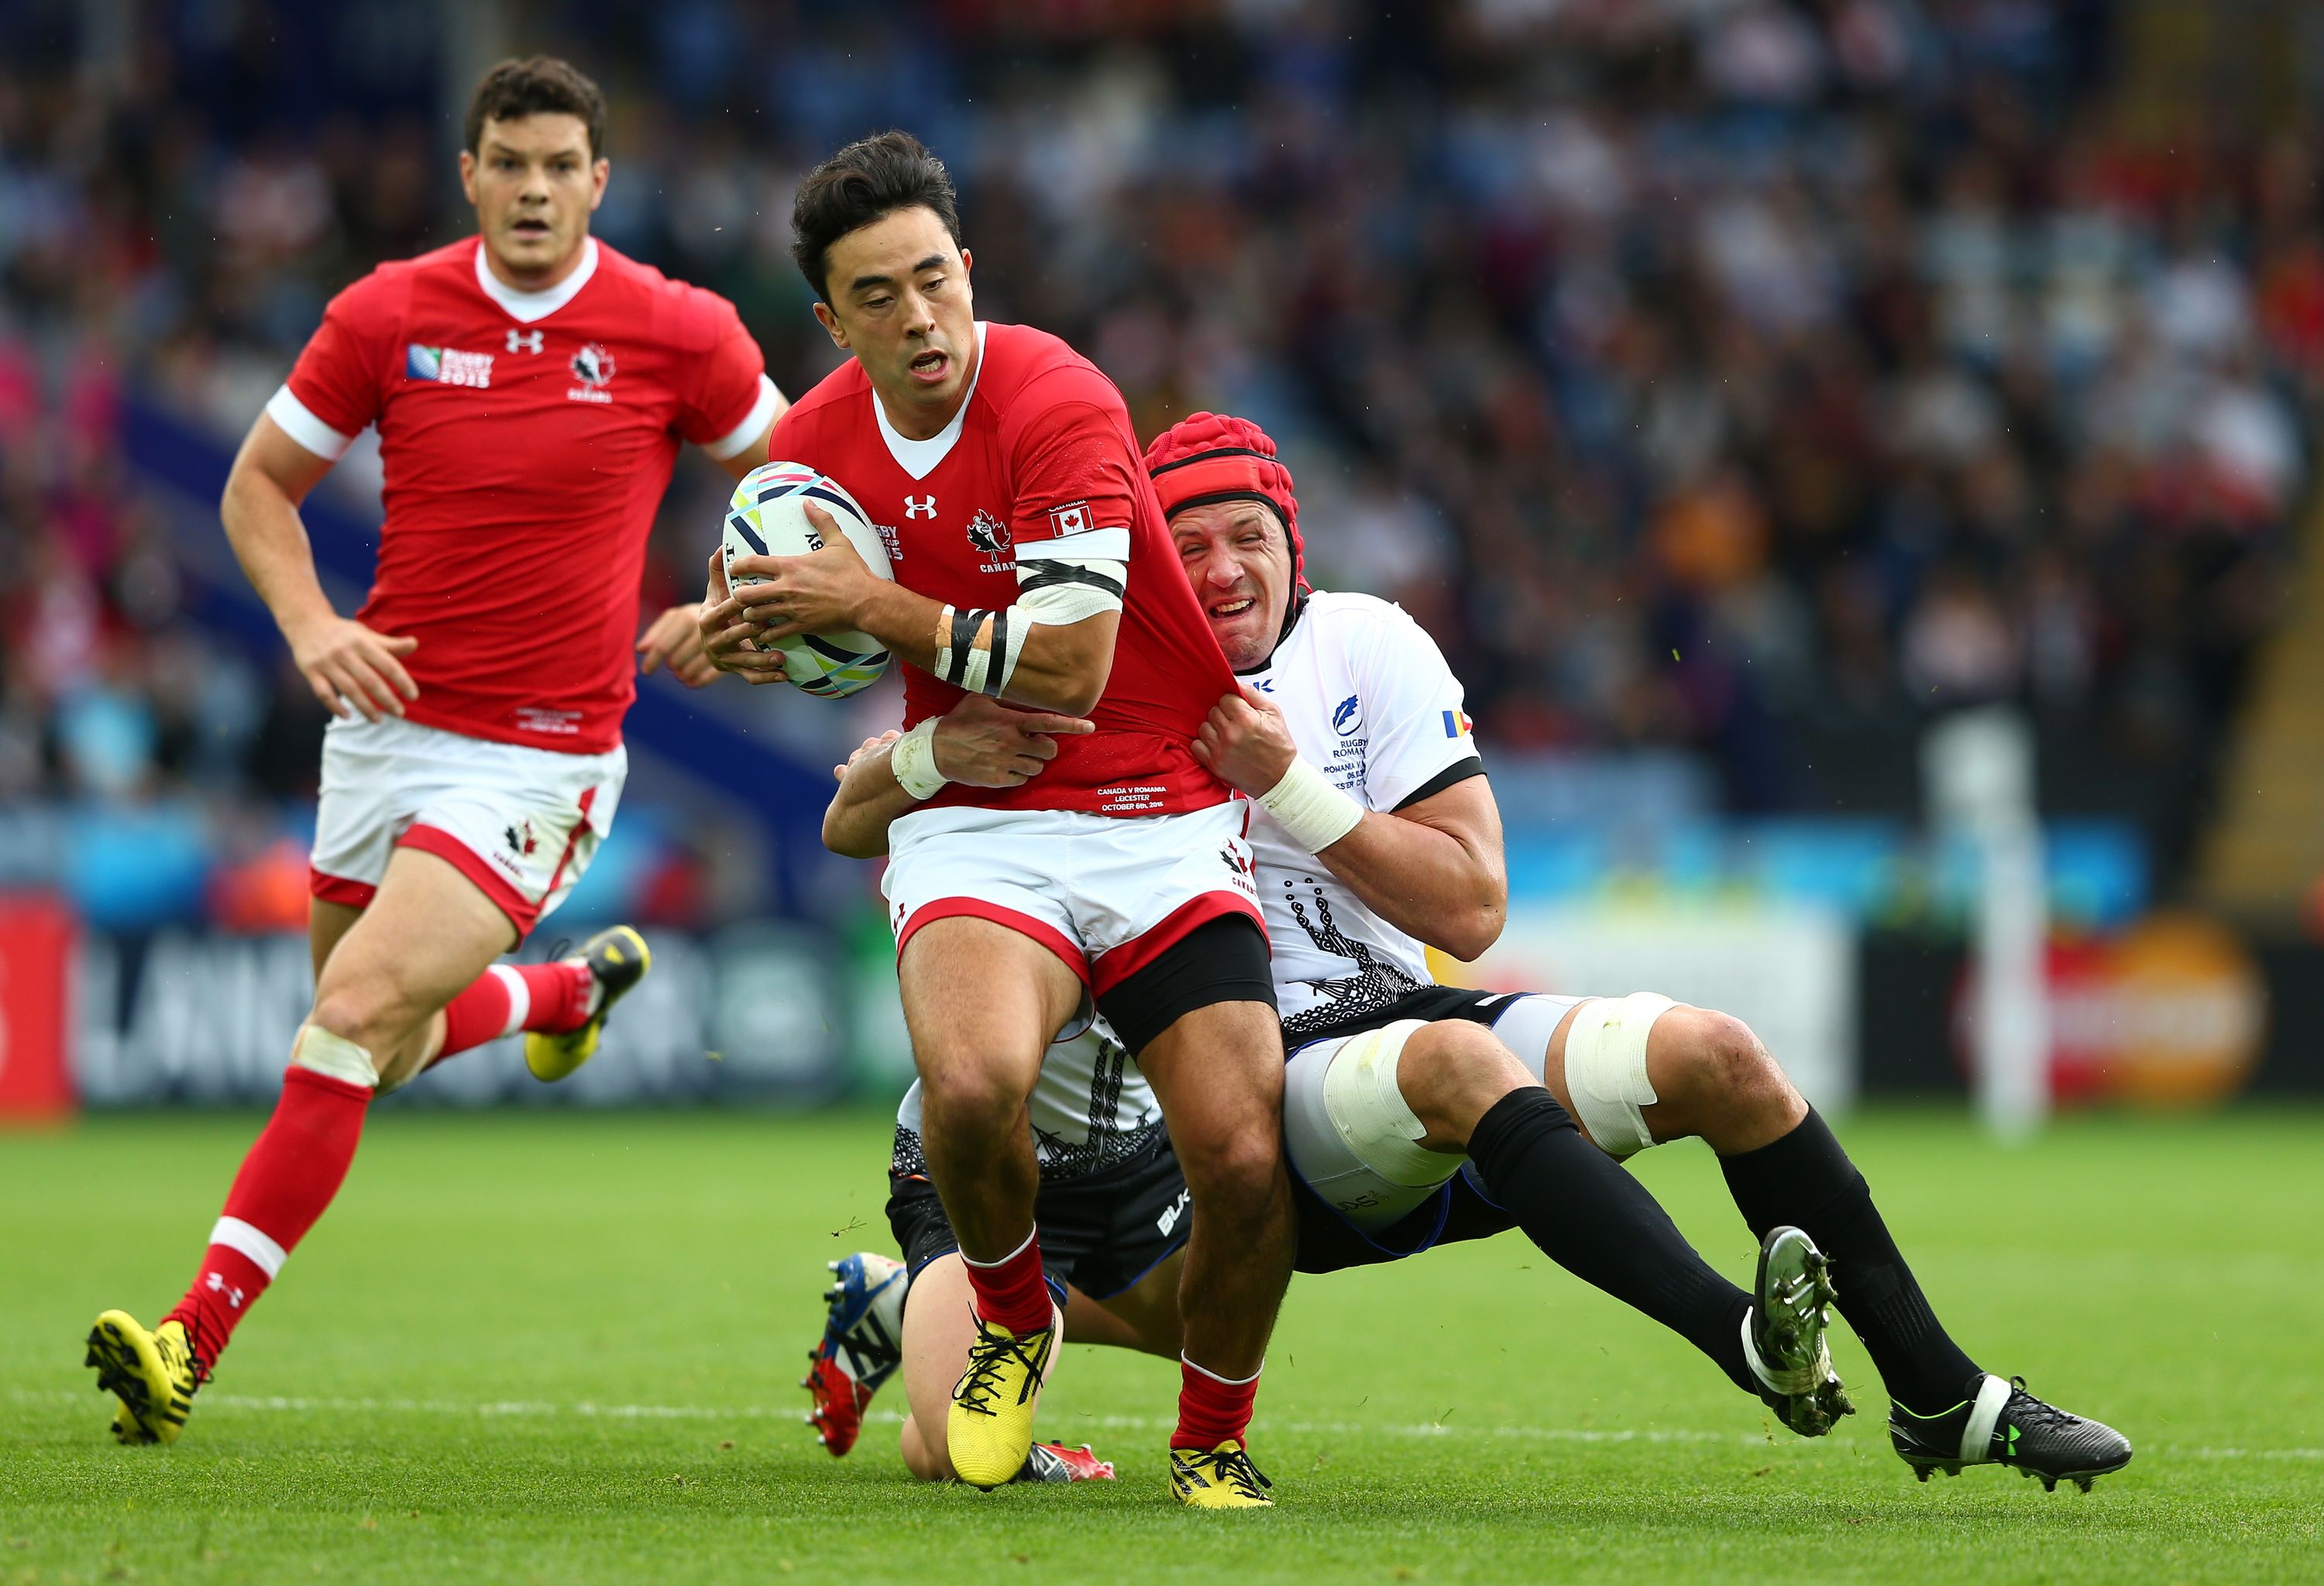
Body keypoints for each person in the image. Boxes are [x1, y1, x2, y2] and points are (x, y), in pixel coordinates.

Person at [810, 411, 2134, 1495]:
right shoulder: (1089, 673)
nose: (1219, 571)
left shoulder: (1368, 645)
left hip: (1379, 1023)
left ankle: (1944, 1397)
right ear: (1140, 559)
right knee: (1002, 1412)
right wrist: (911, 749)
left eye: (1246, 538)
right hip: (1227, 1084)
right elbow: (865, 804)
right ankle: (1742, 1336)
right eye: (1186, 544)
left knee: (1720, 1059)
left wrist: (1296, 791)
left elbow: (1472, 907)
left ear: (1293, 543)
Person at [83, 57, 787, 1447]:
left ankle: (189, 1337)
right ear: (467, 175)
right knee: (381, 1052)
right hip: (383, 732)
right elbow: (255, 490)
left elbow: (811, 484)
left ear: (600, 180)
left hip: (540, 758)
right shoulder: (387, 312)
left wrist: (731, 607)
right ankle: (559, 1000)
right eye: (507, 163)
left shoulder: (674, 330)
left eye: (559, 166)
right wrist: (306, 624)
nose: (533, 189)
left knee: (344, 1020)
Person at [696, 132, 1293, 1507]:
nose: (919, 320)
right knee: (968, 1092)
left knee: (1245, 1155)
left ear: (969, 270)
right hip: (982, 811)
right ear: (832, 323)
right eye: (879, 298)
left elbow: (1070, 668)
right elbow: (813, 641)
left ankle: (1209, 1435)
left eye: (933, 281)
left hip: (1154, 802)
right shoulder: (807, 450)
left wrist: (863, 610)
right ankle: (1013, 1318)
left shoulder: (1059, 395)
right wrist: (762, 636)